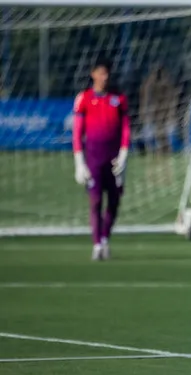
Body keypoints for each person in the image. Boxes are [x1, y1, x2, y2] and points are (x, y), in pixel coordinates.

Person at [73, 57, 130, 261]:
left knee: (114, 201)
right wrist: (79, 161)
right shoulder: (84, 99)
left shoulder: (119, 98)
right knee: (95, 200)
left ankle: (105, 239)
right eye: (101, 73)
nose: (104, 77)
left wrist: (124, 154)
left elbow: (125, 128)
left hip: (114, 160)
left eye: (107, 73)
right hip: (94, 159)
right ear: (93, 74)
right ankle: (96, 244)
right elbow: (77, 132)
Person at [139, 64, 177, 154]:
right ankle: (153, 150)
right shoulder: (148, 84)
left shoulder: (166, 84)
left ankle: (164, 150)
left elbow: (172, 97)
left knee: (162, 134)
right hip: (153, 112)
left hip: (162, 112)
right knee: (154, 134)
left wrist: (171, 113)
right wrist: (144, 111)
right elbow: (145, 97)